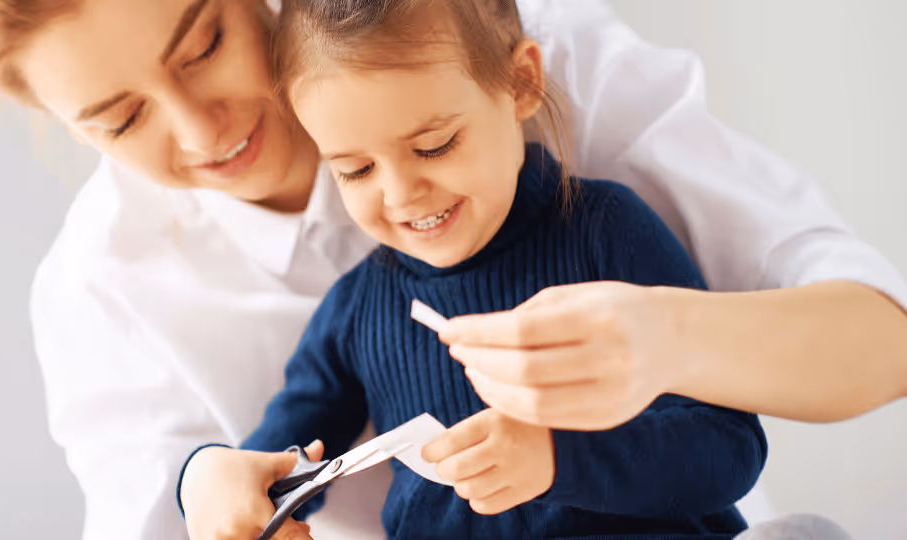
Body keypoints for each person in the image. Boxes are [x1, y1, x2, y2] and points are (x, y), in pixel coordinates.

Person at [0, 0, 905, 539]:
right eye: (119, 121)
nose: (203, 131)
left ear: (520, 86)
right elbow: (237, 472)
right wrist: (211, 481)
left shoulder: (498, 64)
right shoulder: (104, 291)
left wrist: (665, 341)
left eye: (204, 41)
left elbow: (879, 336)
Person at [177, 0, 766, 538]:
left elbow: (732, 448)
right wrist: (204, 477)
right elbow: (268, 472)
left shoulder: (605, 231)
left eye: (434, 146)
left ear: (521, 83)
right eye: (355, 170)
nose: (402, 194)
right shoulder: (356, 312)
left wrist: (559, 460)